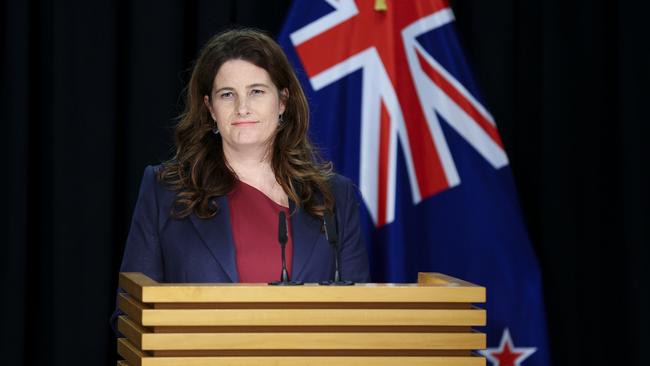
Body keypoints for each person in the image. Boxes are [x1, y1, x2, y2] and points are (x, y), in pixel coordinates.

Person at [115, 28, 370, 288]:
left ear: (282, 101)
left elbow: (360, 312)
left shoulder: (333, 196)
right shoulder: (165, 191)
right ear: (210, 108)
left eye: (256, 91)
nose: (242, 107)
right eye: (227, 94)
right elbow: (131, 310)